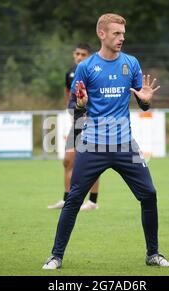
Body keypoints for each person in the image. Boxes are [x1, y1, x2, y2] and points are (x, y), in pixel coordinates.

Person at [42, 13, 169, 269]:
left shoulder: (131, 63)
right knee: (73, 199)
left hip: (126, 144)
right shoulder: (86, 67)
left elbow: (142, 102)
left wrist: (146, 99)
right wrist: (80, 111)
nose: (121, 38)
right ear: (101, 34)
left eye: (123, 34)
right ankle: (56, 256)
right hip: (93, 144)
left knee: (149, 194)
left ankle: (153, 254)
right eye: (116, 33)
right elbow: (76, 107)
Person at [47, 43, 101, 212]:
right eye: (77, 53)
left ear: (89, 56)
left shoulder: (94, 72)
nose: (79, 57)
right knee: (68, 160)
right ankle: (67, 199)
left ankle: (92, 201)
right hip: (76, 122)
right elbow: (69, 93)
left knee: (93, 163)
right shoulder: (70, 72)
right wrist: (70, 110)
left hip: (91, 123)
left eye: (83, 54)